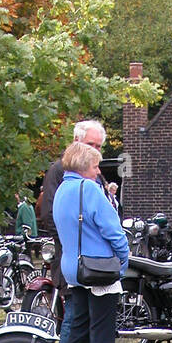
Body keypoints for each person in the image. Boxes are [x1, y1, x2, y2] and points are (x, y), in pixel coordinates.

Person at [52, 142, 129, 343]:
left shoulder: (61, 190)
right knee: (101, 337)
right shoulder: (89, 190)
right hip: (98, 269)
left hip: (73, 270)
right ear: (83, 166)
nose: (98, 171)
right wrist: (124, 258)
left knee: (78, 334)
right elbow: (113, 231)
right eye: (95, 166)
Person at [37, 119, 108, 293]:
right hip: (72, 259)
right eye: (90, 144)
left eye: (98, 146)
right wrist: (73, 242)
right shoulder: (59, 171)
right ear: (76, 141)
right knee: (74, 314)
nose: (94, 150)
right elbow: (50, 214)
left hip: (96, 262)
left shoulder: (95, 175)